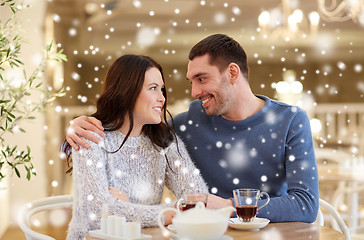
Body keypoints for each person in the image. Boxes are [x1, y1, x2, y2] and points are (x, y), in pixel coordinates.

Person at [66, 34, 319, 223]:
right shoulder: (180, 127)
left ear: (232, 73)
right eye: (191, 81)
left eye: (201, 79)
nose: (194, 92)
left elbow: (306, 205)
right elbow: (130, 130)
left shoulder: (291, 120)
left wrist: (227, 206)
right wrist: (75, 127)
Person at [63, 54, 208, 239]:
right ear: (127, 91)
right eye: (153, 88)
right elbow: (98, 214)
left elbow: (199, 200)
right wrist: (166, 213)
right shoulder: (90, 137)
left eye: (162, 89)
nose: (162, 98)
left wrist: (127, 206)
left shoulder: (165, 142)